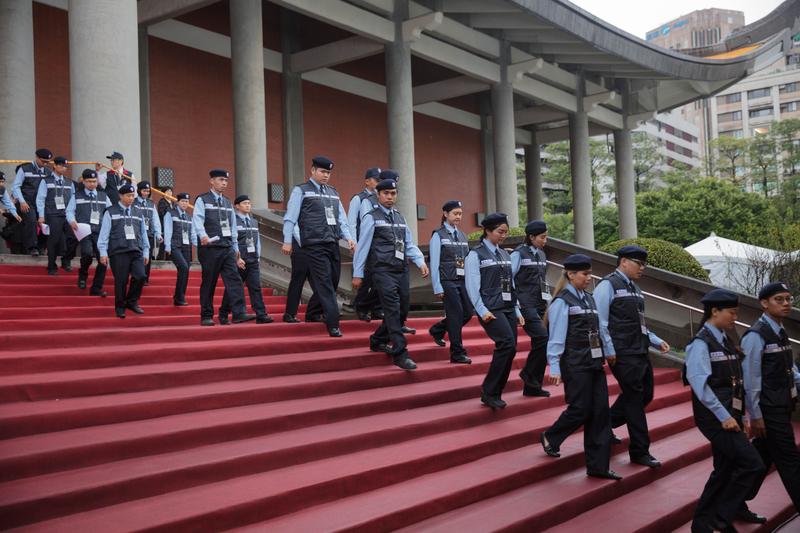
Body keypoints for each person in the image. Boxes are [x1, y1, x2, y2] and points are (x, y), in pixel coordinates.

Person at [685, 288, 766, 532]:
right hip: (716, 417)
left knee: (724, 469)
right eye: (731, 313)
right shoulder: (700, 343)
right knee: (753, 464)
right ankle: (721, 517)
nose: (735, 318)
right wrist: (725, 417)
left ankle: (702, 524)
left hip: (731, 414)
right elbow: (701, 386)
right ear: (715, 311)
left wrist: (742, 415)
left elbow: (736, 384)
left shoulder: (724, 340)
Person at [540, 254, 620, 480]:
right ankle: (551, 435)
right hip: (575, 364)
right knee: (580, 409)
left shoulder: (590, 298)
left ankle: (598, 466)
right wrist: (554, 366)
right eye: (585, 273)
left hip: (594, 362)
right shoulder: (562, 302)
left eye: (589, 273)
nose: (589, 277)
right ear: (571, 274)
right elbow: (556, 338)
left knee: (600, 413)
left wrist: (608, 349)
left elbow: (600, 329)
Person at [594, 245, 670, 468]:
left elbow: (640, 322)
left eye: (644, 264)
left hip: (640, 349)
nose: (642, 268)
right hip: (622, 352)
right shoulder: (608, 285)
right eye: (639, 263)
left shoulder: (636, 289)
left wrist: (655, 340)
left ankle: (603, 426)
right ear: (624, 262)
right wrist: (608, 349)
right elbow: (601, 321)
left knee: (645, 395)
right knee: (635, 398)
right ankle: (639, 450)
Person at [352, 178, 428, 370]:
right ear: (378, 195)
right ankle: (400, 353)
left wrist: (420, 261)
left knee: (402, 309)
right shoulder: (371, 216)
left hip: (400, 269)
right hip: (382, 269)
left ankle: (378, 339)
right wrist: (358, 273)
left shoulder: (400, 218)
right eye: (386, 193)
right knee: (393, 309)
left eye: (393, 193)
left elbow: (409, 243)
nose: (390, 197)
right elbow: (362, 248)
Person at [742, 282, 800, 515]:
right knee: (790, 461)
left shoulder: (780, 330)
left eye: (789, 299)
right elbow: (751, 378)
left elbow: (791, 370)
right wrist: (755, 415)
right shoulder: (756, 336)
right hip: (769, 409)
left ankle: (733, 499)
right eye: (779, 299)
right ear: (764, 303)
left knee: (760, 459)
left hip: (783, 404)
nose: (786, 304)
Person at [282, 156, 355, 337]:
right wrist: (288, 240)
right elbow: (290, 218)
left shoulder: (332, 192)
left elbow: (341, 219)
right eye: (322, 171)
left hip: (332, 242)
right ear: (312, 171)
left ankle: (313, 313)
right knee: (323, 283)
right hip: (313, 244)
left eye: (328, 172)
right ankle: (333, 322)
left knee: (333, 280)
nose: (325, 175)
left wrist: (349, 238)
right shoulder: (301, 190)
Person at [465, 213, 524, 409]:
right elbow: (472, 285)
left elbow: (511, 284)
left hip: (507, 307)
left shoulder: (505, 254)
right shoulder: (476, 254)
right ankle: (489, 391)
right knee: (506, 343)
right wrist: (481, 310)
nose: (504, 235)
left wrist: (517, 309)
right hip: (490, 308)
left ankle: (494, 391)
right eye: (500, 231)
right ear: (488, 230)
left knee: (511, 348)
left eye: (506, 232)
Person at [193, 169, 255, 326]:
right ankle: (206, 315)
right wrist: (203, 235)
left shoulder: (228, 202)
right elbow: (197, 219)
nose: (224, 183)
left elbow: (233, 227)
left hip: (227, 247)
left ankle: (239, 313)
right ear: (212, 181)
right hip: (210, 248)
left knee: (234, 279)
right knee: (209, 282)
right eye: (221, 180)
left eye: (226, 181)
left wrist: (236, 250)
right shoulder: (203, 199)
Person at [428, 200, 473, 364]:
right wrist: (437, 286)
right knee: (455, 315)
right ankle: (457, 352)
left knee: (467, 313)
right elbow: (434, 263)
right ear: (446, 214)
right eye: (455, 213)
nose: (458, 216)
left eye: (460, 213)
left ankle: (438, 329)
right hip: (447, 281)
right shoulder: (438, 235)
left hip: (462, 280)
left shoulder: (462, 235)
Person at [511, 220, 551, 397]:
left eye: (546, 237)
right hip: (525, 303)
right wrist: (515, 305)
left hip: (540, 304)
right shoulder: (518, 254)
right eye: (542, 237)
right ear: (531, 237)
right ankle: (528, 373)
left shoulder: (542, 254)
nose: (545, 240)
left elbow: (543, 281)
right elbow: (508, 279)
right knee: (542, 337)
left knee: (543, 342)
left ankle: (532, 386)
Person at [97, 183, 150, 318]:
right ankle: (120, 306)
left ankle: (131, 301)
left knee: (141, 276)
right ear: (120, 196)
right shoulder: (111, 211)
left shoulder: (138, 212)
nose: (131, 198)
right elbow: (104, 234)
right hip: (118, 251)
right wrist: (103, 252)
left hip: (135, 249)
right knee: (121, 280)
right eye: (128, 196)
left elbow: (143, 233)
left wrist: (146, 251)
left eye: (133, 196)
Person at [219, 195, 274, 324]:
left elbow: (257, 240)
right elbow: (232, 241)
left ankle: (261, 314)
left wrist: (258, 256)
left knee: (256, 287)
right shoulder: (233, 221)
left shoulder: (254, 222)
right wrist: (237, 258)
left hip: (253, 260)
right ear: (237, 206)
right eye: (245, 203)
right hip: (239, 261)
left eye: (249, 203)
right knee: (234, 288)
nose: (248, 205)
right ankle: (223, 313)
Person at [66, 169, 112, 296]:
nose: (92, 184)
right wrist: (72, 221)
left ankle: (96, 288)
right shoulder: (77, 196)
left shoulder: (103, 196)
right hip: (84, 230)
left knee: (103, 261)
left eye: (94, 181)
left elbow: (110, 212)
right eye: (89, 181)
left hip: (100, 232)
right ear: (84, 181)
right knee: (86, 254)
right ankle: (83, 275)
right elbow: (69, 211)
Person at [348, 167, 383, 321]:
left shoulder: (381, 198)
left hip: (377, 246)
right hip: (363, 244)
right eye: (376, 180)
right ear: (367, 181)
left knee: (378, 278)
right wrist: (353, 244)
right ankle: (360, 306)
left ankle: (376, 308)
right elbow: (351, 223)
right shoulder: (359, 198)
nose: (379, 183)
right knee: (366, 278)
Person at [36, 156, 75, 275]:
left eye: (65, 166)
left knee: (72, 239)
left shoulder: (69, 182)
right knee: (53, 240)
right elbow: (40, 199)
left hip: (67, 215)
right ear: (55, 166)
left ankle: (66, 260)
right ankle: (51, 266)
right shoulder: (46, 180)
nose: (64, 168)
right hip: (53, 214)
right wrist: (41, 215)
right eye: (61, 165)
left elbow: (74, 199)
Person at [13, 148, 52, 256]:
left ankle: (41, 247)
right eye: (43, 161)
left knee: (47, 222)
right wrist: (22, 201)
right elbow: (16, 187)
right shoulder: (25, 169)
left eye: (47, 162)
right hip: (27, 202)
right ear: (36, 157)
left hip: (42, 203)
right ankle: (32, 248)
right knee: (31, 220)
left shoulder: (49, 172)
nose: (45, 164)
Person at [163, 192, 196, 306]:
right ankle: (179, 296)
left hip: (186, 247)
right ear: (177, 202)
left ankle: (179, 297)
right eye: (182, 201)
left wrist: (200, 245)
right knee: (183, 267)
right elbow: (168, 230)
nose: (185, 204)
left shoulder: (188, 217)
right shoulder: (170, 214)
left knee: (185, 270)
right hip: (175, 245)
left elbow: (192, 234)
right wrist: (167, 246)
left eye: (186, 202)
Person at [135, 181, 163, 285]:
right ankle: (137, 276)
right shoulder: (133, 202)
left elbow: (155, 220)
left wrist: (158, 233)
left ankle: (145, 278)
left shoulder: (151, 204)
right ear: (139, 191)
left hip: (149, 234)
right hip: (137, 235)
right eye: (144, 191)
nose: (146, 193)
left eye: (148, 191)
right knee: (138, 256)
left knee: (147, 257)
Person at [156, 186, 174, 260]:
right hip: (164, 225)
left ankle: (169, 259)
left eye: (170, 191)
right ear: (163, 193)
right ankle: (161, 259)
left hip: (172, 226)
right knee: (163, 243)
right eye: (167, 191)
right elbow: (162, 213)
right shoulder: (162, 202)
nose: (169, 193)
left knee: (170, 243)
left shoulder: (173, 203)